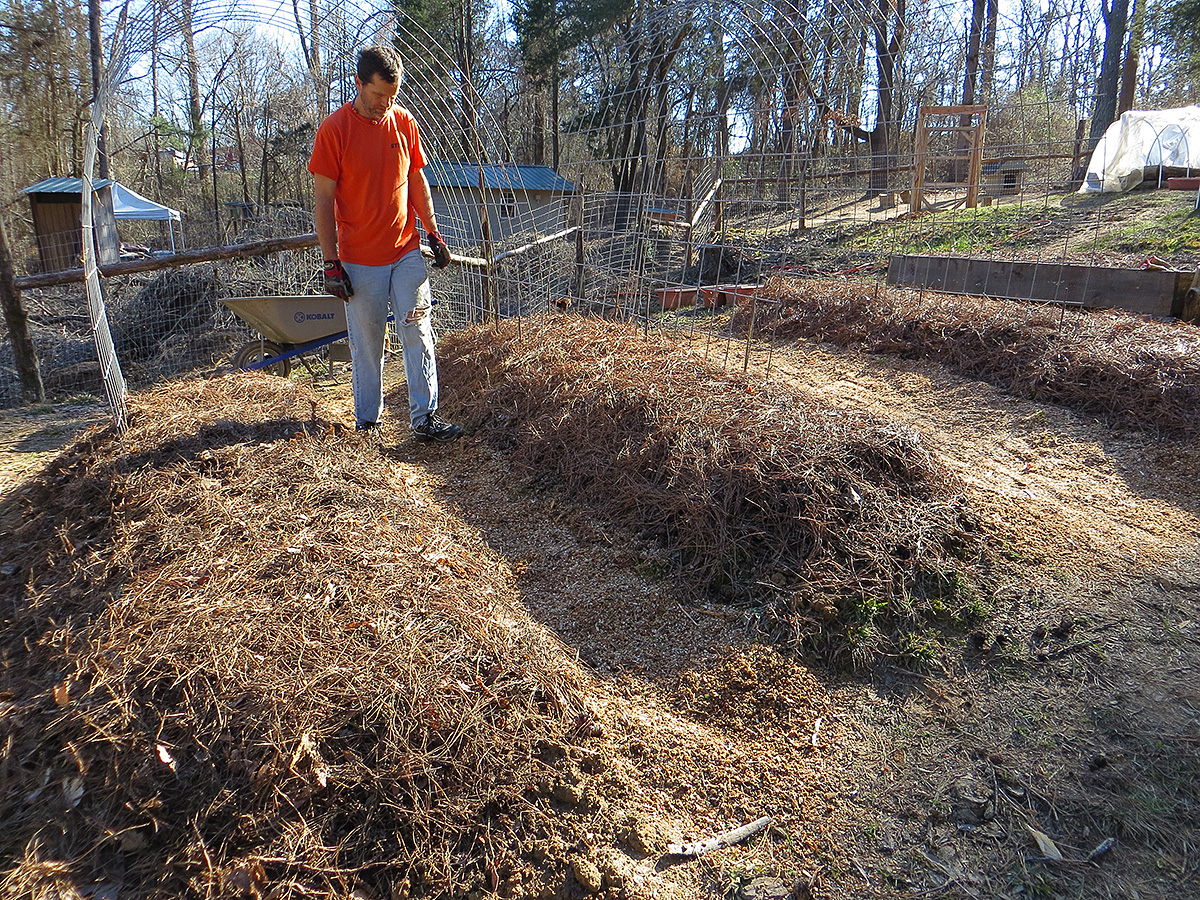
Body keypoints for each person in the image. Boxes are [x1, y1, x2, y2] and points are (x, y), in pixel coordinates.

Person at [307, 44, 461, 442]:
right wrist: (330, 262)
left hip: (405, 249)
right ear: (358, 83)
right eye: (378, 96)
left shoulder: (404, 122)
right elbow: (323, 200)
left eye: (392, 97)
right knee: (368, 340)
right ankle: (368, 423)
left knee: (418, 330)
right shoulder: (334, 130)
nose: (385, 105)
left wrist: (432, 230)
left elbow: (416, 180)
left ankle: (425, 418)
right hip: (359, 258)